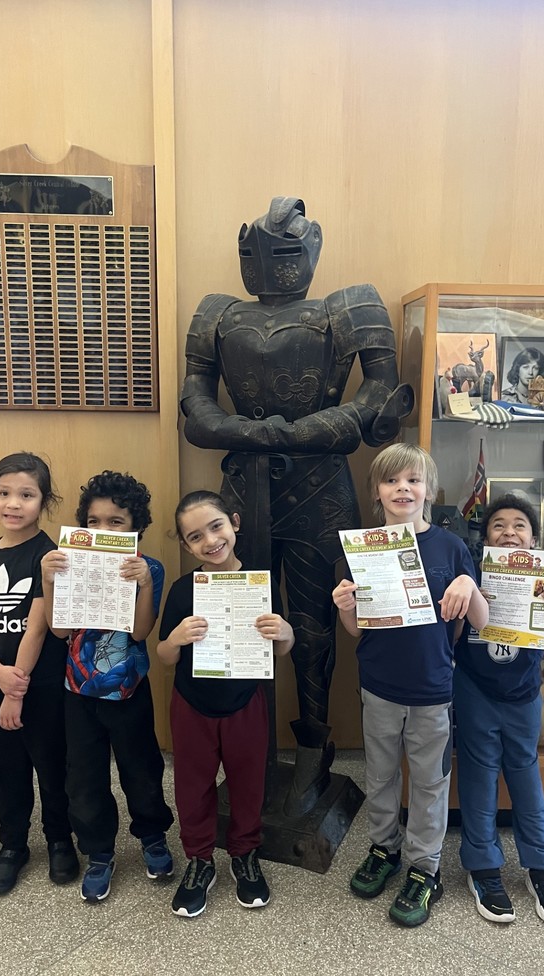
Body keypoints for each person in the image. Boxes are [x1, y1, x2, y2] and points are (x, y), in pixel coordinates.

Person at [180, 197, 411, 814]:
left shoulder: (350, 303)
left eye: (285, 251)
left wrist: (287, 432)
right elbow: (195, 408)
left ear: (311, 250)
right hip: (244, 487)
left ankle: (313, 750)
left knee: (312, 627)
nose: (271, 264)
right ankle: (249, 749)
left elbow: (382, 396)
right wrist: (265, 433)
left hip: (319, 487)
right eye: (260, 252)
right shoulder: (216, 312)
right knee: (238, 616)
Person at [332, 443, 488, 927]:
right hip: (378, 685)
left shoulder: (450, 547)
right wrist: (344, 605)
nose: (403, 488)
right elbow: (357, 630)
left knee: (429, 782)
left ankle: (425, 867)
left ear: (429, 489)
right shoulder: (361, 547)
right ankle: (384, 849)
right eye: (392, 480)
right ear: (376, 491)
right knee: (379, 776)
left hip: (432, 690)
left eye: (413, 480)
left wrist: (470, 587)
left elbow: (478, 623)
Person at [157, 490, 294, 918]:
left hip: (245, 702)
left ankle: (244, 854)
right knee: (192, 787)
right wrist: (176, 639)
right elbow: (163, 655)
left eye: (216, 526)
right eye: (195, 536)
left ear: (234, 522)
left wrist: (284, 631)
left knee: (248, 782)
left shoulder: (262, 583)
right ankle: (199, 860)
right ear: (186, 546)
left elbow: (282, 649)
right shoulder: (184, 590)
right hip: (192, 704)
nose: (210, 540)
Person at [41, 471, 174, 903]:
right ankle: (98, 851)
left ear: (136, 527)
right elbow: (60, 632)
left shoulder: (148, 567)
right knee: (84, 777)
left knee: (143, 767)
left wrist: (146, 583)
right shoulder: (68, 564)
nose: (102, 530)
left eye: (116, 522)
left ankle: (153, 835)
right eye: (94, 522)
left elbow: (139, 632)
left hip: (129, 691)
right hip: (78, 693)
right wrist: (48, 580)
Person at [454, 494, 544, 926]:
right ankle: (484, 867)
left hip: (525, 696)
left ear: (533, 538)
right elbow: (450, 637)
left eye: (519, 526)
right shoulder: (470, 574)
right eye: (498, 526)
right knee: (478, 778)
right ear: (485, 537)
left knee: (527, 781)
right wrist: (473, 596)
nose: (509, 532)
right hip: (475, 693)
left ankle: (543, 867)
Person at [0, 452, 78, 896]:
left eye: (26, 495)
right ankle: (13, 845)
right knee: (6, 766)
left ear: (44, 501)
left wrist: (18, 687)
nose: (13, 504)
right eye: (4, 493)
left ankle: (59, 839)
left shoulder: (47, 555)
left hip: (41, 685)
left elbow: (37, 628)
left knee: (51, 765)